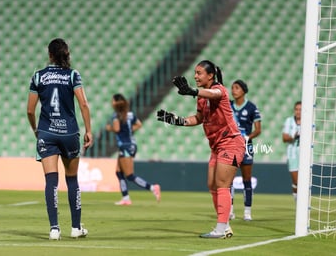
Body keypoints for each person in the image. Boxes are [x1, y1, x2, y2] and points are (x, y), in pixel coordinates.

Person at [157, 60, 245, 239]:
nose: (195, 76)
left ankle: (221, 229)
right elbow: (198, 118)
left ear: (210, 75)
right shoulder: (202, 97)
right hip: (216, 147)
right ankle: (225, 226)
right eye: (195, 73)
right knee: (212, 185)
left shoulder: (220, 90)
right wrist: (176, 120)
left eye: (199, 73)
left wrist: (193, 91)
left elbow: (213, 93)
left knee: (222, 184)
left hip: (231, 143)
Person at [27, 38, 93, 240]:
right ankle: (75, 228)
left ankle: (54, 229)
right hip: (69, 133)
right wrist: (89, 130)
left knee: (51, 181)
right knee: (72, 179)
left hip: (47, 132)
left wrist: (36, 130)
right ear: (67, 54)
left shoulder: (38, 76)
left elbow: (30, 110)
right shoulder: (73, 75)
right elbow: (83, 105)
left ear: (50, 55)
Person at [106, 93, 161, 205]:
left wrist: (109, 128)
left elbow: (116, 129)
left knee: (130, 175)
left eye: (112, 101)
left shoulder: (116, 116)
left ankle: (152, 188)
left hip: (125, 146)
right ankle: (126, 198)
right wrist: (128, 129)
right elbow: (139, 124)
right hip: (131, 144)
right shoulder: (130, 114)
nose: (111, 103)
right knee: (118, 172)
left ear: (116, 103)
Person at [229, 80, 261, 221]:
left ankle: (247, 211)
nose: (233, 90)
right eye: (232, 88)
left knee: (246, 179)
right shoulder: (228, 106)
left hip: (246, 146)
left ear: (243, 90)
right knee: (228, 180)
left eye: (236, 88)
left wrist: (247, 137)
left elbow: (258, 129)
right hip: (230, 146)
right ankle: (229, 210)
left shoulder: (252, 107)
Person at [282, 101, 301, 202]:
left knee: (304, 181)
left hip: (304, 155)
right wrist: (294, 137)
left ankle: (301, 204)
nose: (298, 112)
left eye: (300, 110)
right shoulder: (289, 121)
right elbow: (284, 137)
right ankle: (297, 201)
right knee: (296, 181)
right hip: (292, 154)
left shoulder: (308, 122)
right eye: (296, 109)